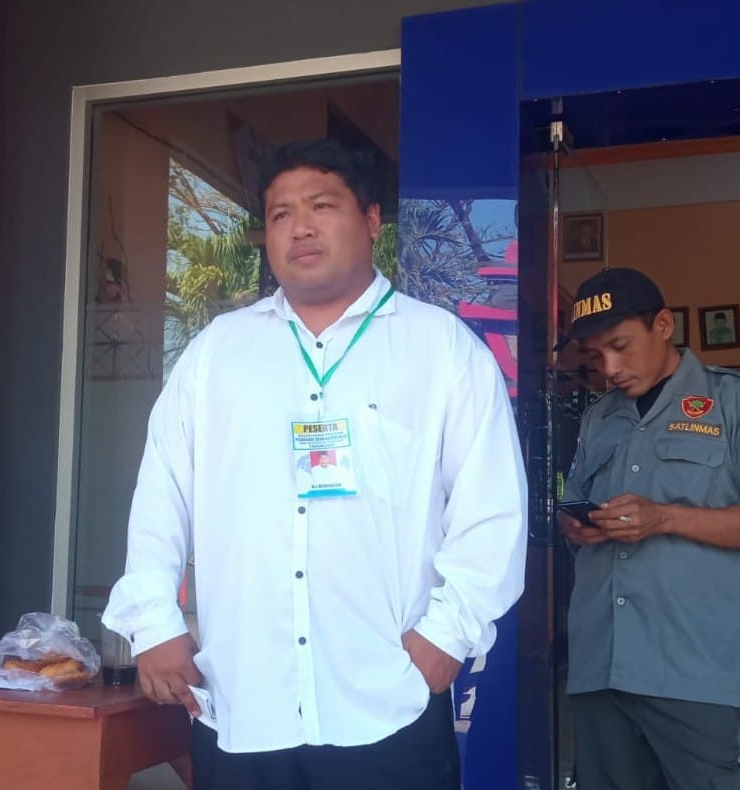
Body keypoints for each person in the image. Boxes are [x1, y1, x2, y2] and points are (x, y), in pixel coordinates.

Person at [102, 137, 528, 790]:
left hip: (387, 699)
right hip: (244, 701)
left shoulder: (440, 349)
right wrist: (153, 622)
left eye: (322, 206)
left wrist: (447, 637)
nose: (299, 227)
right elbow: (162, 492)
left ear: (372, 220)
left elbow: (491, 510)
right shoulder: (218, 352)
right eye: (280, 214)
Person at [557, 267, 740, 790]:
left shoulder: (737, 401)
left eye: (621, 346)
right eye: (596, 356)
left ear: (663, 325)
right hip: (600, 656)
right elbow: (575, 497)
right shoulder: (600, 417)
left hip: (688, 663)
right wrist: (577, 525)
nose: (610, 369)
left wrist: (663, 517)